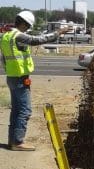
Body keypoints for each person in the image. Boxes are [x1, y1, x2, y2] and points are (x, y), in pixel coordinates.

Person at [0, 10, 68, 151]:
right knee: (25, 110)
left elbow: (4, 59)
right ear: (24, 23)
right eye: (28, 26)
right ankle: (18, 142)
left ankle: (13, 141)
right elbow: (36, 40)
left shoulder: (6, 36)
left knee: (16, 110)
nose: (28, 29)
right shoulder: (18, 36)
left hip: (12, 77)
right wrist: (58, 33)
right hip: (20, 78)